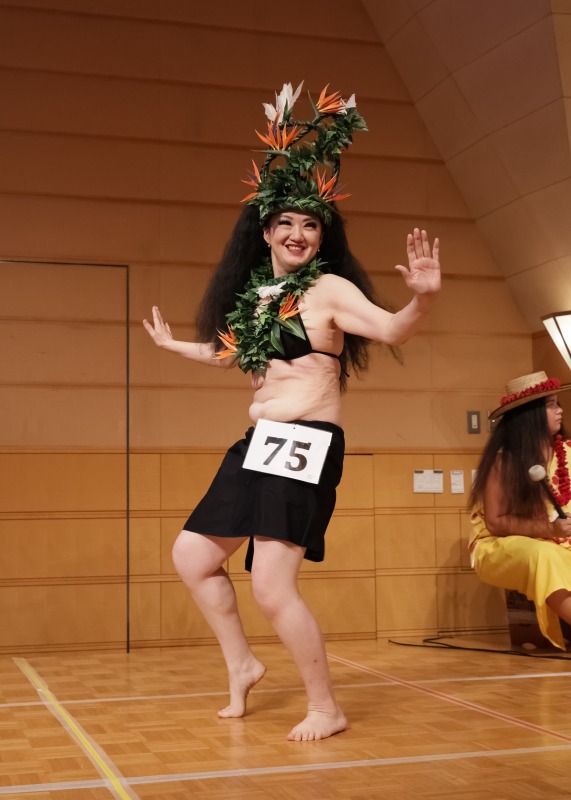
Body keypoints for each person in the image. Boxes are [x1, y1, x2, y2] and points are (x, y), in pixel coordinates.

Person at [143, 81, 441, 741]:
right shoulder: (258, 298)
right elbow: (233, 356)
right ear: (266, 231)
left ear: (321, 234)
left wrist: (422, 298)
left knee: (272, 588)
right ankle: (242, 664)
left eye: (310, 224)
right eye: (286, 223)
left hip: (305, 441)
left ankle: (326, 707)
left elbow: (391, 329)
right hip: (260, 441)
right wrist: (174, 346)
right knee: (192, 556)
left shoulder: (328, 289)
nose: (298, 233)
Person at [469, 371, 571, 650]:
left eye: (558, 403)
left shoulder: (568, 451)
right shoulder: (505, 462)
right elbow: (495, 523)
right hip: (500, 545)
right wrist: (549, 529)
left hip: (560, 540)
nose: (560, 411)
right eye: (551, 405)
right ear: (530, 415)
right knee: (544, 555)